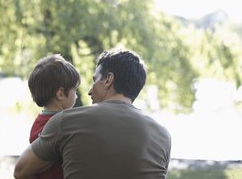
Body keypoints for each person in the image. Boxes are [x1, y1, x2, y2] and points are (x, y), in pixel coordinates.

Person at [14, 48, 171, 179]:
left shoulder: (66, 122)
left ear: (108, 80)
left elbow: (20, 171)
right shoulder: (163, 136)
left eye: (95, 80)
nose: (89, 91)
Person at [26, 54, 80, 179]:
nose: (76, 96)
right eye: (75, 91)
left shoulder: (38, 123)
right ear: (60, 94)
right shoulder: (63, 125)